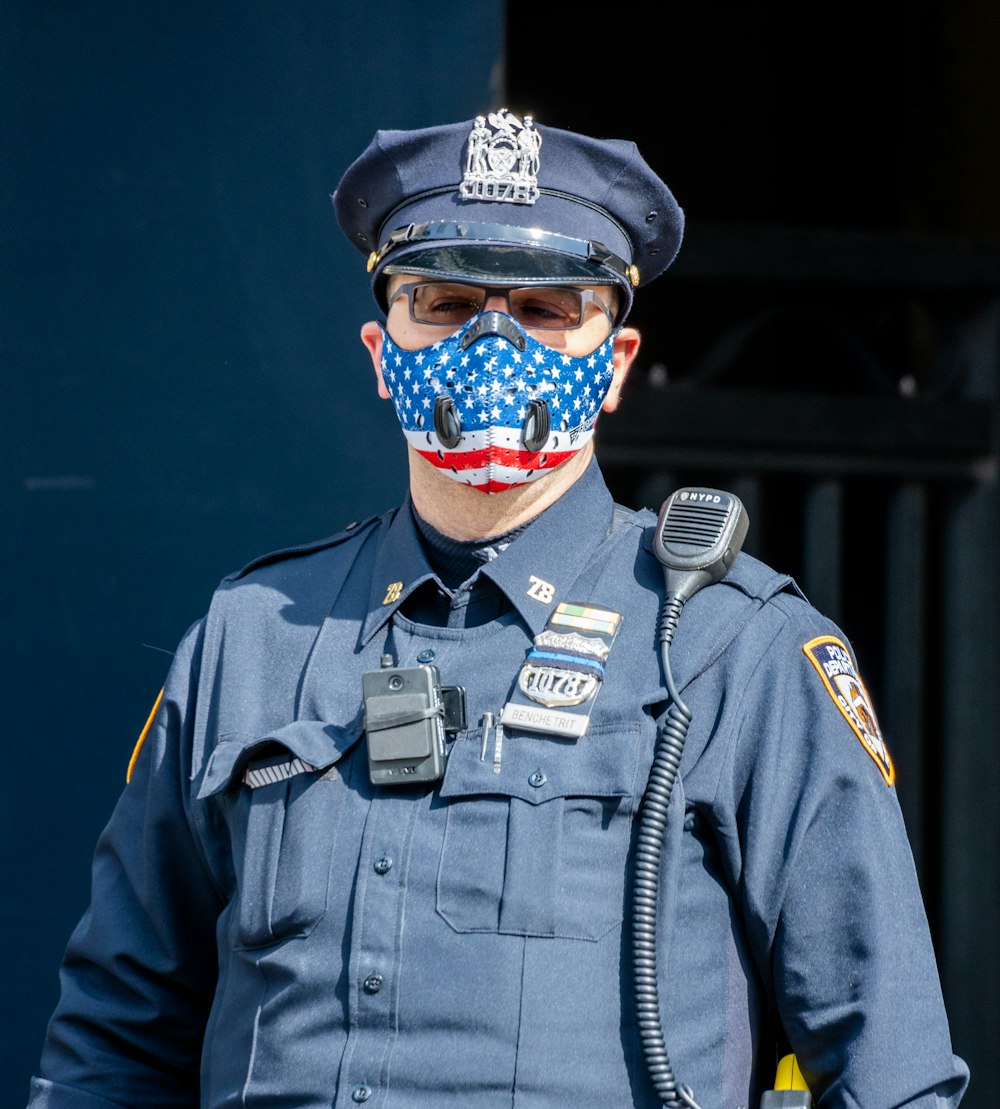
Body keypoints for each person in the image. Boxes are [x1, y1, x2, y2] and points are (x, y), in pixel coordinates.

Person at [28, 107, 968, 1109]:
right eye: (440, 299)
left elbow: (891, 1073)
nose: (490, 339)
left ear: (614, 364)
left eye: (543, 307)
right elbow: (112, 1041)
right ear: (379, 348)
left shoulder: (738, 648)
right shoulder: (251, 636)